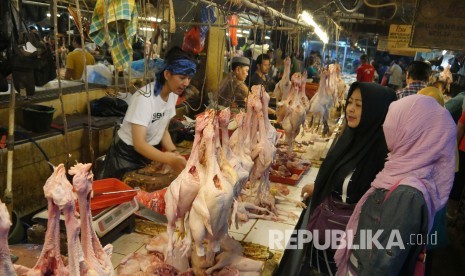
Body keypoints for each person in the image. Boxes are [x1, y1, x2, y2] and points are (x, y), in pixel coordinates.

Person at [334, 94, 456, 276]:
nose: (387, 127)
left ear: (413, 132)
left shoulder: (407, 194)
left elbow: (384, 263)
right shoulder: (400, 173)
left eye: (396, 122)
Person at [300, 82, 397, 275]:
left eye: (359, 105)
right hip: (325, 235)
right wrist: (320, 186)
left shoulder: (382, 152)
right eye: (350, 102)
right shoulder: (350, 137)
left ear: (376, 110)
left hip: (347, 244)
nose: (350, 109)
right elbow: (340, 174)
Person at [99, 46, 196, 179]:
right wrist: (167, 159)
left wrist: (174, 152)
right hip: (125, 157)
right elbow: (139, 144)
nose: (186, 83)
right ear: (167, 74)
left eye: (189, 78)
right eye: (182, 77)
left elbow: (164, 130)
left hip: (147, 154)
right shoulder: (145, 98)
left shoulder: (172, 94)